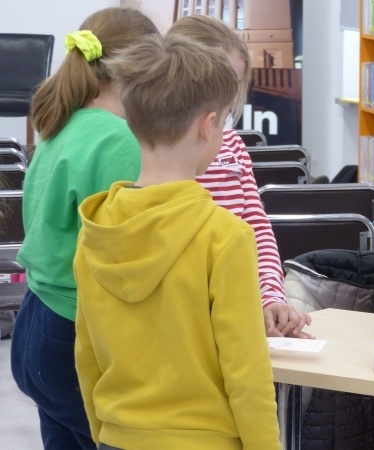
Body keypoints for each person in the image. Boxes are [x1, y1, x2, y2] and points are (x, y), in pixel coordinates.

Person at [73, 33, 281, 449]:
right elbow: (246, 373)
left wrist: (105, 434)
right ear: (208, 126)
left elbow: (87, 356)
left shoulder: (96, 228)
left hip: (117, 435)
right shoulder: (225, 237)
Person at [10, 8, 159, 449]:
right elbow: (122, 253)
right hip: (75, 332)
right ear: (143, 69)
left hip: (36, 319)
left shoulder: (60, 123)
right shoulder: (119, 140)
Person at [167, 15, 311, 338]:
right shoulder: (159, 151)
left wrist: (271, 297)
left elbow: (257, 229)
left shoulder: (232, 143)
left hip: (233, 317)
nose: (229, 97)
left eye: (235, 84)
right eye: (222, 81)